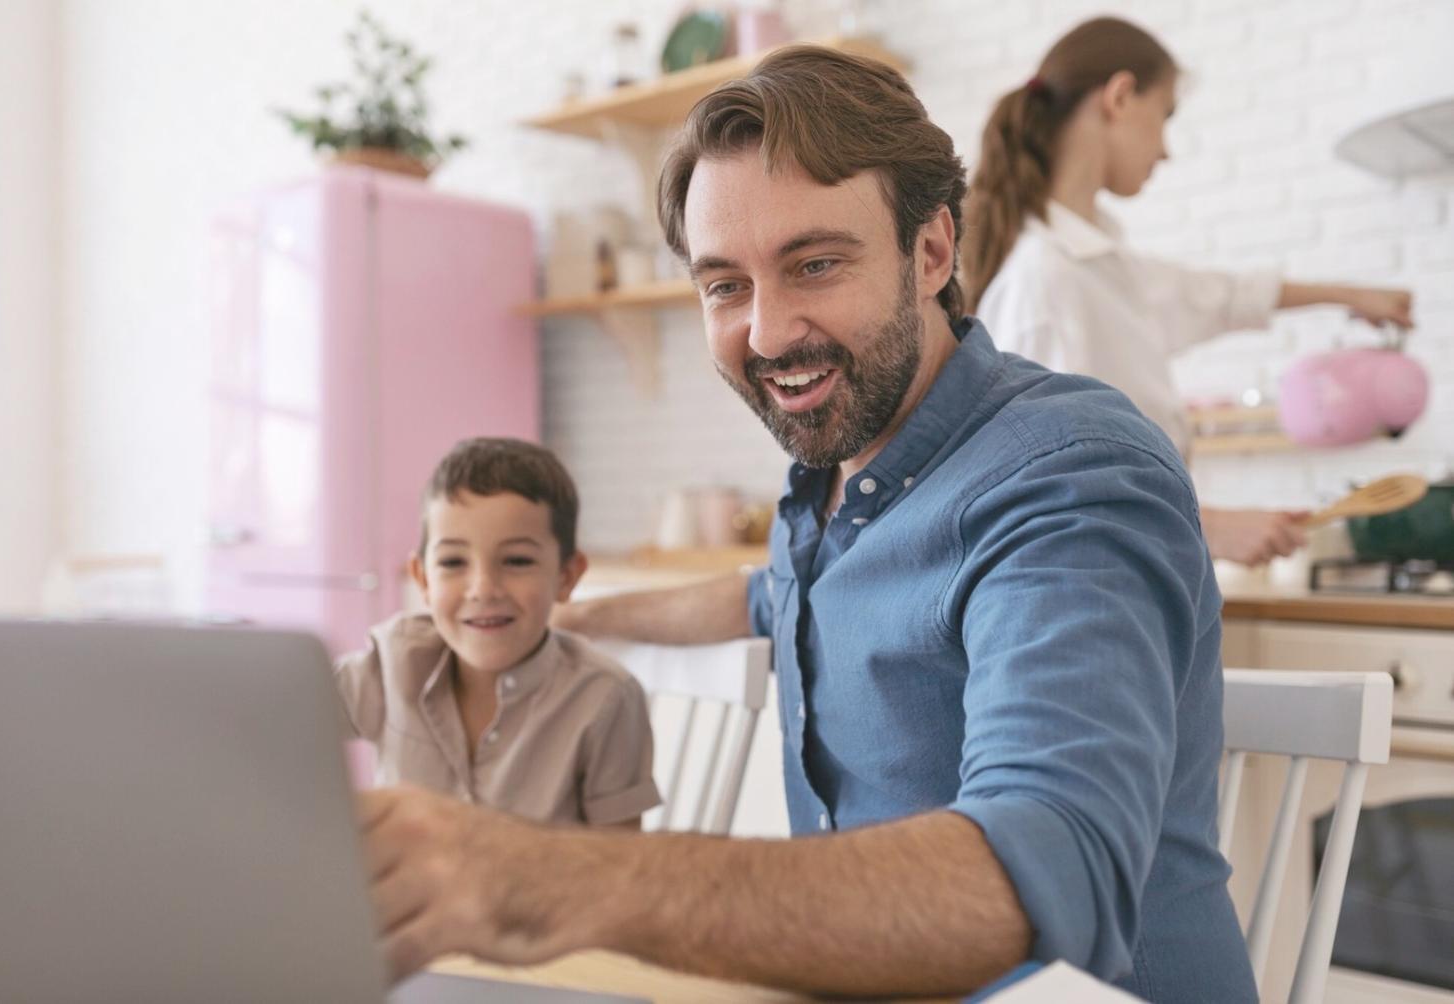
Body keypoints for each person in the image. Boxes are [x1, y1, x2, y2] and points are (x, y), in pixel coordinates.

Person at [357, 47, 1256, 1002]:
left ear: (931, 251)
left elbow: (1044, 876)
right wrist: (580, 620)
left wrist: (556, 878)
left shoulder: (1069, 470)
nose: (768, 331)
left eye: (814, 264)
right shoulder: (833, 486)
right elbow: (776, 593)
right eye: (724, 286)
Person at [966, 16, 1415, 568]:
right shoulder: (1044, 282)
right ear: (1121, 97)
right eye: (1166, 115)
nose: (1166, 150)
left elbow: (1216, 295)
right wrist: (1209, 527)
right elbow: (1041, 489)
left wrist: (1349, 295)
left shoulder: (1099, 266)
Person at [336, 437, 659, 828]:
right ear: (423, 578)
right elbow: (266, 722)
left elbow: (619, 868)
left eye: (517, 560)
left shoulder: (605, 698)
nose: (483, 588)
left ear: (566, 576)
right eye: (454, 561)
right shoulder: (387, 663)